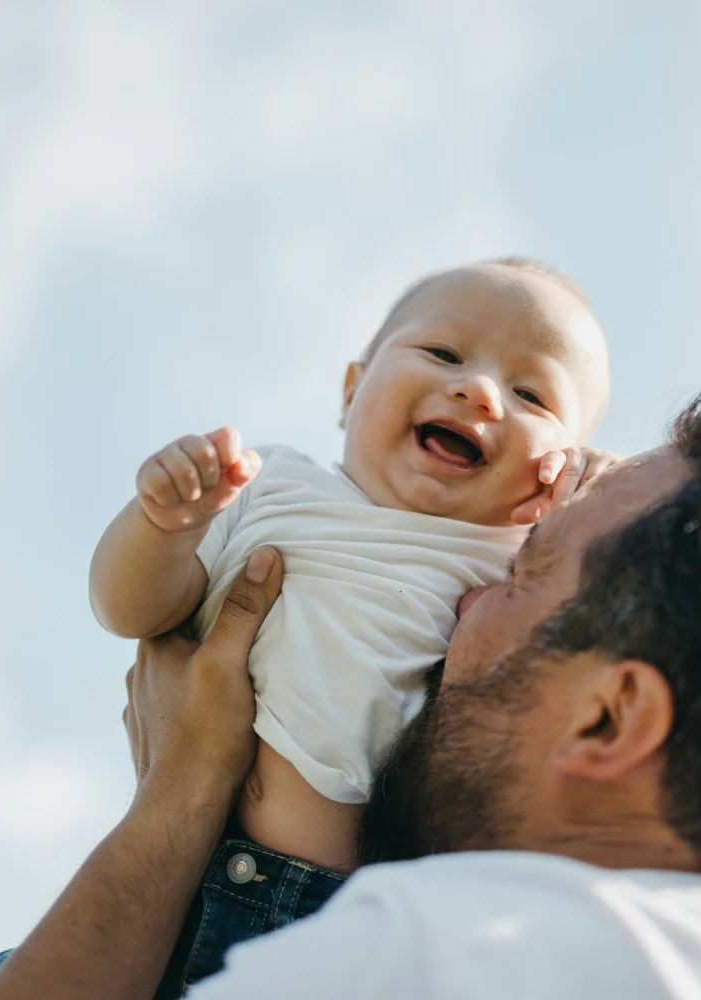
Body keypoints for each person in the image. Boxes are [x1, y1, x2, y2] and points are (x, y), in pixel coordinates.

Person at [0, 388, 701, 999]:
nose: (462, 608)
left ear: (609, 717)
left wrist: (181, 800)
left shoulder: (450, 953)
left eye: (522, 571)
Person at [87, 258, 615, 988]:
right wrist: (164, 526)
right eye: (442, 353)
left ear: (557, 470)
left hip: (348, 935)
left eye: (531, 394)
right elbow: (132, 612)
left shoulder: (510, 572)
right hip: (172, 891)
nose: (479, 390)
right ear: (350, 389)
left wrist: (596, 522)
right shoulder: (270, 483)